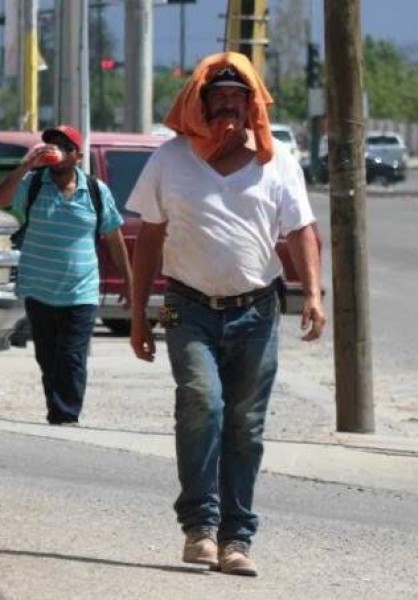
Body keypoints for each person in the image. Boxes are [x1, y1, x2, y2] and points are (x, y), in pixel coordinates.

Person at [128, 52, 326, 578]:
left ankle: (236, 539)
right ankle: (200, 528)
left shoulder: (276, 159)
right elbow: (149, 236)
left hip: (257, 308)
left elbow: (302, 230)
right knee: (201, 402)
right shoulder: (170, 160)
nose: (228, 110)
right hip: (184, 303)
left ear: (253, 106)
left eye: (238, 100)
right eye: (217, 99)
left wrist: (312, 294)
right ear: (199, 103)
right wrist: (138, 313)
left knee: (246, 425)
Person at [0, 125, 132, 425]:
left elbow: (114, 239)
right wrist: (26, 165)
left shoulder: (96, 191)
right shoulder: (32, 184)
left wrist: (129, 281)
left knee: (72, 358)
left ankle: (66, 417)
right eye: (51, 145)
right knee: (49, 360)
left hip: (81, 293)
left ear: (78, 155)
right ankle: (58, 414)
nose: (56, 151)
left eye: (64, 146)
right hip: (39, 289)